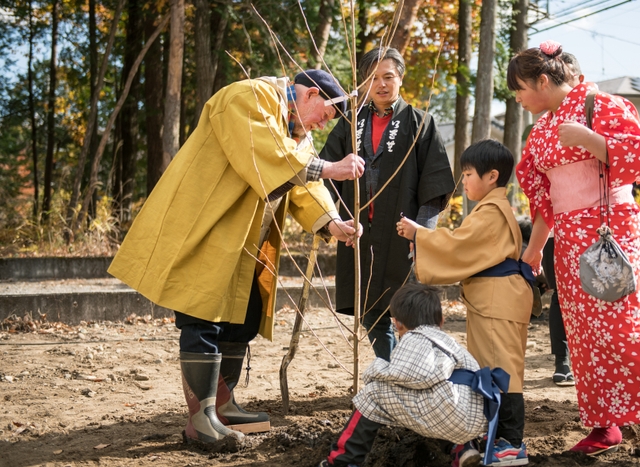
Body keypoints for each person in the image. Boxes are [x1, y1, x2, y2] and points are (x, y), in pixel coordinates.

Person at [108, 69, 366, 444]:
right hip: (207, 228)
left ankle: (223, 407)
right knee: (203, 319)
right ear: (310, 94)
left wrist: (332, 224)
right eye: (324, 116)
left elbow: (303, 184)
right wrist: (329, 167)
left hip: (248, 242)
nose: (321, 128)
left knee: (241, 319)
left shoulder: (296, 132)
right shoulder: (247, 96)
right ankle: (200, 420)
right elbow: (262, 154)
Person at [509, 40, 640, 466]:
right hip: (568, 238)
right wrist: (534, 252)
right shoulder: (540, 129)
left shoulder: (603, 105)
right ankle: (603, 425)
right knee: (581, 336)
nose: (518, 98)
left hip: (609, 232)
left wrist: (590, 139)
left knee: (622, 330)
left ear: (543, 80)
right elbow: (544, 202)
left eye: (520, 88)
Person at [398, 139, 533, 466]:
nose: (464, 181)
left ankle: (511, 443)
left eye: (469, 173)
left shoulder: (490, 212)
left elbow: (460, 246)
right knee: (499, 367)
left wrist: (420, 234)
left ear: (492, 177)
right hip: (498, 298)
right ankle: (500, 437)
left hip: (496, 298)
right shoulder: (498, 208)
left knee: (502, 370)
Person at [319, 47, 455, 361]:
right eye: (373, 78)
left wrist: (421, 234)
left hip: (400, 231)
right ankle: (388, 364)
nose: (381, 84)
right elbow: (325, 171)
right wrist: (331, 220)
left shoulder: (420, 123)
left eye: (388, 77)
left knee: (407, 307)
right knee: (368, 305)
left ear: (400, 78)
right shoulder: (352, 123)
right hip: (359, 231)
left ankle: (413, 369)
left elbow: (435, 185)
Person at [319, 283, 511, 467]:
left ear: (398, 324)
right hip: (475, 419)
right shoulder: (450, 342)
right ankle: (463, 447)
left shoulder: (415, 337)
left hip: (446, 411)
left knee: (372, 394)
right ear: (441, 321)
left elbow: (413, 376)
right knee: (438, 395)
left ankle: (342, 460)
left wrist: (376, 370)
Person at [542, 51, 583, 387]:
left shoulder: (598, 111)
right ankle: (563, 359)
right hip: (555, 229)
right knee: (560, 295)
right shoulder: (542, 126)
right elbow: (539, 192)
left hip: (595, 229)